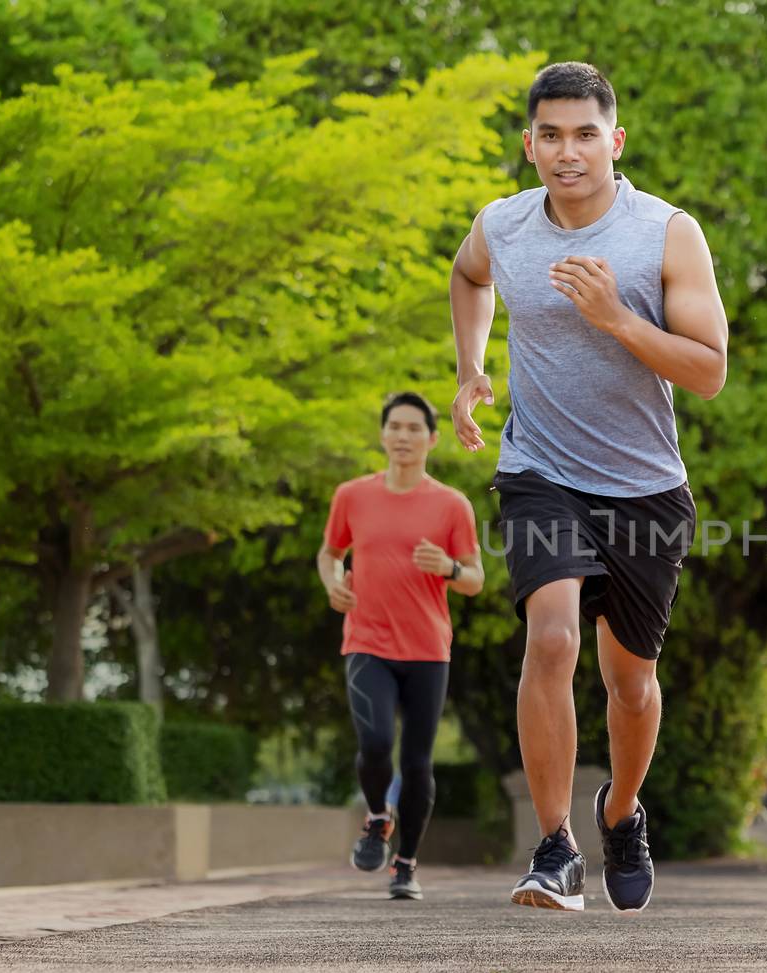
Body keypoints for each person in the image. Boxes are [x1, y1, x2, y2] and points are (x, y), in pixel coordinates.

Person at [448, 61, 728, 912]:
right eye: (551, 135)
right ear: (529, 144)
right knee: (553, 638)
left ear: (615, 141)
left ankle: (619, 811)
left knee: (631, 682)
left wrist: (616, 318)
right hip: (540, 470)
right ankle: (555, 847)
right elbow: (468, 277)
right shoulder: (503, 225)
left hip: (644, 485)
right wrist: (468, 369)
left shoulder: (666, 234)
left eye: (584, 134)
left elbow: (710, 371)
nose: (568, 152)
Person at [317, 391, 485, 900]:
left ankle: (406, 864)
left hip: (428, 651)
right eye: (395, 427)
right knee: (373, 744)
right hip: (367, 641)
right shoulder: (352, 495)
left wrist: (450, 569)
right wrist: (332, 582)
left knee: (416, 765)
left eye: (415, 429)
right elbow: (330, 552)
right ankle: (376, 818)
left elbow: (475, 578)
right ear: (383, 434)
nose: (404, 437)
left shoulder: (452, 504)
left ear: (433, 439)